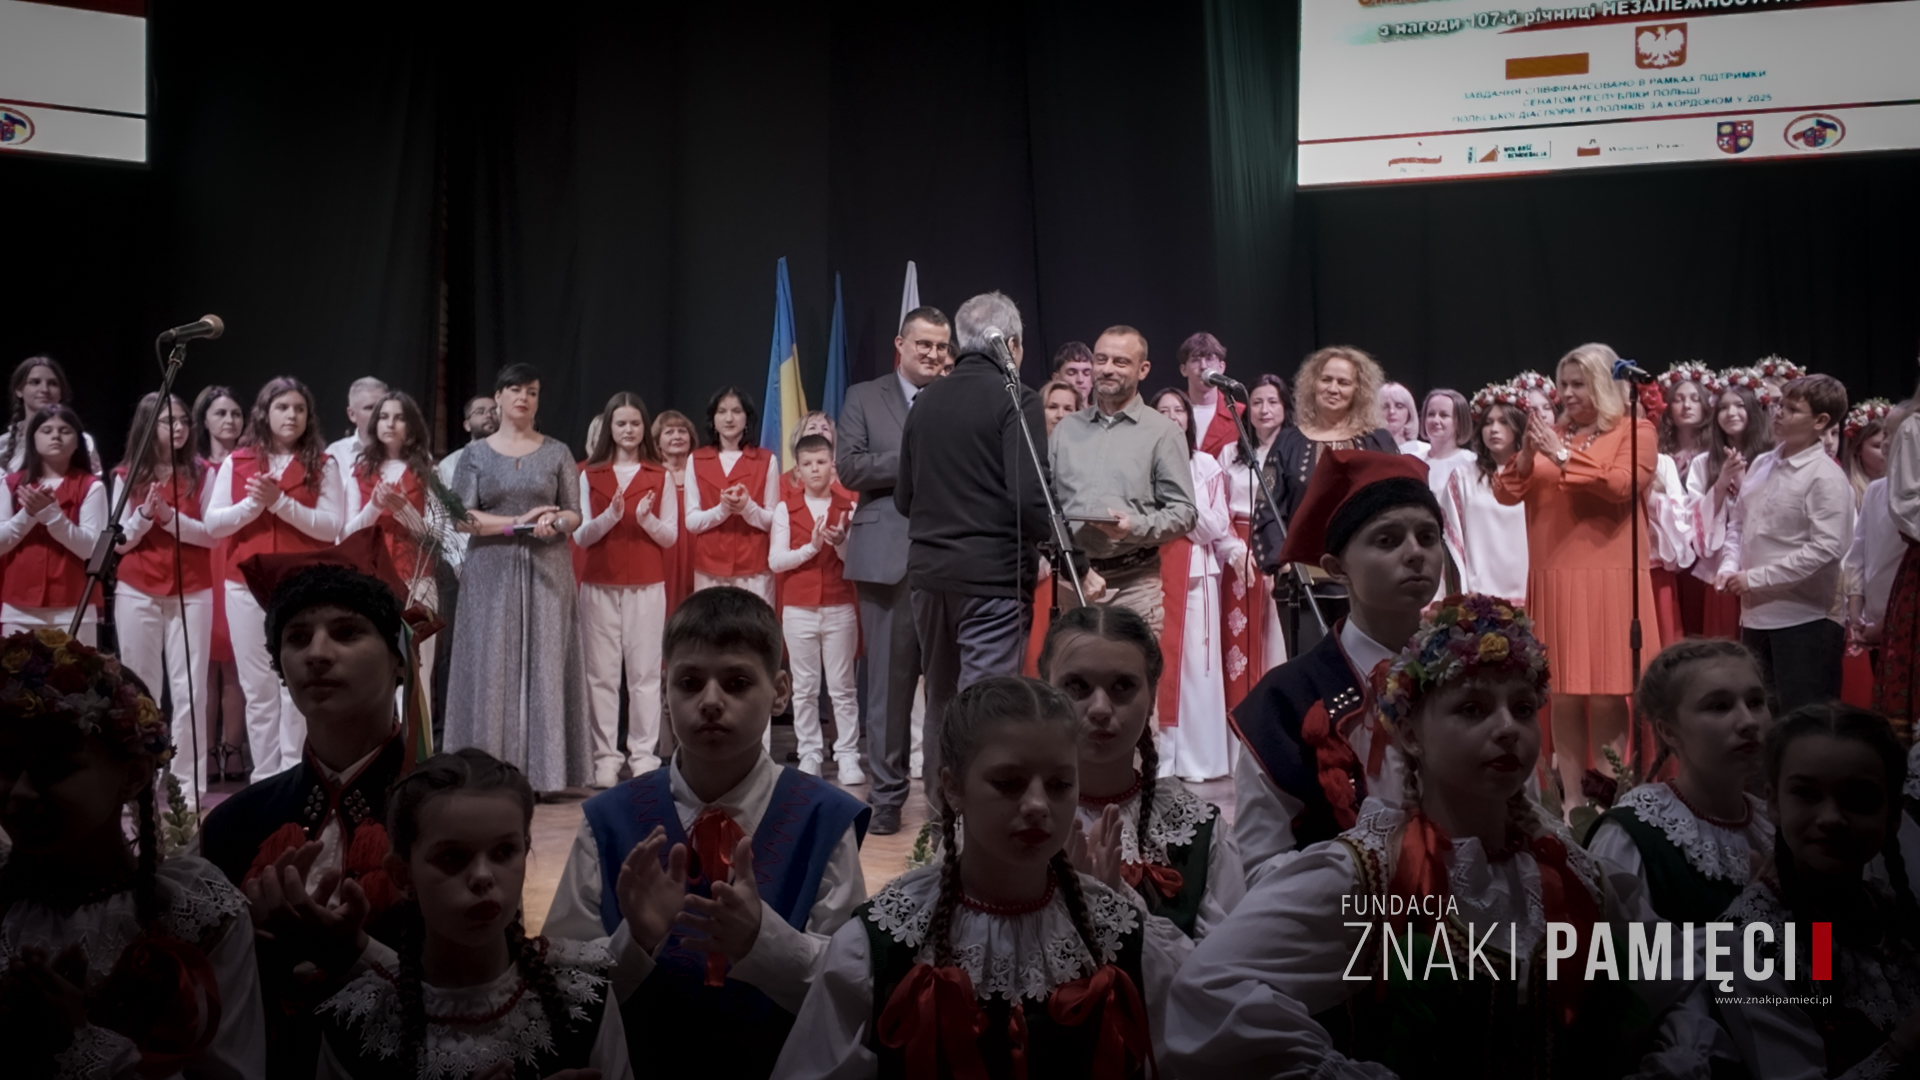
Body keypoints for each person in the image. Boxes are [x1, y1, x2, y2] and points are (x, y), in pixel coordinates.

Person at [1166, 596, 1644, 1080]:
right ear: (1411, 735)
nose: (1507, 729)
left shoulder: (1571, 873)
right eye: (1473, 709)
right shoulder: (1371, 875)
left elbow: (1669, 979)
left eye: (1522, 708)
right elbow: (1209, 989)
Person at [770, 676, 1181, 1080]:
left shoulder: (1118, 933)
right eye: (1009, 783)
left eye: (1059, 784)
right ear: (953, 788)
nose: (1038, 804)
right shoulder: (882, 943)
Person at [545, 586, 871, 1079]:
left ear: (780, 691)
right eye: (690, 682)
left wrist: (764, 941)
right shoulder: (609, 820)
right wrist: (635, 942)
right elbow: (560, 988)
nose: (711, 702)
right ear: (665, 689)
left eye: (737, 683)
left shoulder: (823, 818)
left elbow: (852, 989)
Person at [0, 629, 266, 1077]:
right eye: (5, 765)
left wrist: (80, 1040)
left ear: (135, 775)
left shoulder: (193, 911)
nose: (21, 792)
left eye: (54, 767)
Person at [199, 558, 416, 1076]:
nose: (317, 654)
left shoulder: (449, 812)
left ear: (400, 661)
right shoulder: (235, 824)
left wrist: (355, 954)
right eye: (297, 638)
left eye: (346, 632)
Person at [315, 749, 633, 1079]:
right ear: (403, 874)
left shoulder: (581, 994)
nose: (483, 876)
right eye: (452, 856)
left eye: (504, 851)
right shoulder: (357, 1023)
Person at [1229, 449, 1443, 883]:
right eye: (1387, 540)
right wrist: (1371, 875)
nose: (1415, 553)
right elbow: (1259, 869)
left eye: (1427, 536)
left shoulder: (1472, 675)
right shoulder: (1285, 701)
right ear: (1336, 568)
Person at [1680, 703, 1920, 1079]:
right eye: (1807, 794)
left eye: (1859, 798)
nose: (1831, 819)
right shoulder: (1748, 943)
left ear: (1893, 814)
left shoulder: (1890, 911)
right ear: (1774, 803)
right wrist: (1906, 1043)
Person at [896, 291, 1053, 820]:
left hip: (928, 578)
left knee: (942, 700)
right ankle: (977, 826)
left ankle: (943, 823)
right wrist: (1067, 552)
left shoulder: (924, 402)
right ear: (1011, 345)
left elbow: (903, 497)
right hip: (991, 580)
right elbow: (1029, 497)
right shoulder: (1017, 398)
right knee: (984, 705)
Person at [1493, 343, 1660, 810]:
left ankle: (1607, 800)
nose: (1566, 393)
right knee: (1562, 693)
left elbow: (1621, 484)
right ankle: (1571, 804)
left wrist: (1562, 455)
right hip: (1554, 575)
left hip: (1608, 574)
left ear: (1603, 385)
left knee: (1606, 693)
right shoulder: (1554, 433)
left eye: (1578, 384)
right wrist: (1528, 455)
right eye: (1562, 384)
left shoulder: (1635, 430)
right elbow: (1507, 492)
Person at [1041, 604, 1246, 940]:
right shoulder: (1006, 817)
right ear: (1045, 693)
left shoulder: (1198, 831)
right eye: (1077, 685)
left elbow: (1228, 959)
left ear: (1151, 697)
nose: (1100, 709)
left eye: (1122, 686)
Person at [444, 362, 588, 794]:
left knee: (546, 661)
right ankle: (487, 769)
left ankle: (546, 774)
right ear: (499, 397)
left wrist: (554, 522)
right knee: (490, 663)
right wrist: (517, 523)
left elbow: (574, 513)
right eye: (515, 390)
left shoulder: (558, 452)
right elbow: (461, 517)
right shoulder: (475, 454)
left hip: (547, 565)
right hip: (490, 567)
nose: (523, 397)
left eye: (532, 391)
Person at [837, 305, 951, 836]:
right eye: (923, 344)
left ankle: (944, 802)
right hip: (886, 559)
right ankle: (886, 798)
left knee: (946, 689)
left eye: (941, 346)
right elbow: (850, 466)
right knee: (887, 687)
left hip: (950, 555)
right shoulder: (863, 396)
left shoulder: (956, 395)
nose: (933, 354)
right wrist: (915, 454)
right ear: (900, 345)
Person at [204, 376, 347, 782]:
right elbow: (214, 524)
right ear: (265, 413)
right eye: (283, 407)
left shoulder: (323, 463)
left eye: (299, 409)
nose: (292, 415)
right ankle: (266, 779)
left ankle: (294, 775)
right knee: (258, 689)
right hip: (245, 584)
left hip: (300, 585)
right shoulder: (239, 461)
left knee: (294, 685)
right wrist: (253, 505)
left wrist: (280, 502)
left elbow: (331, 525)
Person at [1586, 639, 1773, 922]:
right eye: (1720, 706)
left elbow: (1822, 941)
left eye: (1756, 702)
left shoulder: (1776, 827)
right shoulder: (1633, 836)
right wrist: (1747, 922)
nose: (1749, 721)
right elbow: (1614, 948)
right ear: (1669, 731)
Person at [1715, 373, 1853, 712]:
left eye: (1791, 409)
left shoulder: (1825, 476)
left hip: (1805, 621)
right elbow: (1740, 523)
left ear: (1820, 421)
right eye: (1779, 405)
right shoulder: (1762, 463)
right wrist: (1729, 565)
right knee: (1761, 718)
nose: (1778, 414)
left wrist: (1754, 578)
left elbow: (1826, 550)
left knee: (1803, 721)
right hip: (1755, 618)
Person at [1051, 325, 1196, 636]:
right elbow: (1045, 504)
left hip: (1134, 584)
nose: (1107, 369)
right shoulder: (1066, 430)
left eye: (1120, 362)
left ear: (1143, 369)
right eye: (1101, 359)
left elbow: (1184, 513)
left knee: (1133, 667)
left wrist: (1134, 527)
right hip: (1073, 582)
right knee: (1071, 668)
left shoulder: (1163, 432)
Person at [111, 392, 215, 804]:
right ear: (147, 424)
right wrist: (143, 516)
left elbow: (211, 534)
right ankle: (142, 781)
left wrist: (170, 518)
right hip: (137, 587)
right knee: (141, 689)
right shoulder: (126, 473)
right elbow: (118, 541)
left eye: (184, 420)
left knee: (191, 691)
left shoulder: (202, 472)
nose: (180, 428)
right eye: (169, 421)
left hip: (192, 588)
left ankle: (188, 786)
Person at [573, 392, 677, 790]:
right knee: (600, 675)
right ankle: (605, 758)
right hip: (599, 583)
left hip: (647, 585)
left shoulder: (659, 475)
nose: (629, 430)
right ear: (609, 428)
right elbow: (581, 535)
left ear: (643, 427)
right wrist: (610, 517)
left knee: (645, 674)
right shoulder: (590, 474)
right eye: (621, 423)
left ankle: (644, 756)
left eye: (635, 423)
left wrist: (646, 520)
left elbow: (669, 536)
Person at [1149, 386, 1243, 781]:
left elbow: (1213, 526)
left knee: (1196, 668)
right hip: (1151, 572)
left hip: (1195, 575)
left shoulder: (1204, 464)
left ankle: (1198, 760)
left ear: (1189, 419)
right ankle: (1160, 757)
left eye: (1179, 410)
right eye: (1163, 410)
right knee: (1158, 662)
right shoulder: (1143, 461)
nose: (1172, 417)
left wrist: (1178, 508)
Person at [341, 391, 446, 685]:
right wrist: (375, 507)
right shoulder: (359, 471)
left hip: (418, 580)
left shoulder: (429, 471)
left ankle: (414, 720)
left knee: (417, 672)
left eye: (399, 418)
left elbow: (437, 534)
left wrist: (404, 511)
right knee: (374, 671)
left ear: (411, 426)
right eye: (384, 417)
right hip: (372, 578)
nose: (390, 424)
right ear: (375, 423)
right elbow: (347, 534)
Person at [770, 434, 858, 781]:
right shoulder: (785, 508)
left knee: (843, 687)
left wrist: (841, 544)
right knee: (805, 688)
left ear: (832, 465)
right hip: (799, 608)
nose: (815, 469)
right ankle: (809, 754)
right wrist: (811, 547)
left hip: (839, 605)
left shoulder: (848, 507)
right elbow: (776, 561)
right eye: (807, 464)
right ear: (798, 470)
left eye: (821, 462)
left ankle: (847, 755)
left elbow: (856, 562)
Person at [0, 405, 105, 644]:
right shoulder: (10, 484)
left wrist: (53, 517)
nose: (55, 436)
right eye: (46, 430)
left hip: (75, 605)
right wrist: (28, 515)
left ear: (78, 442)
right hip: (18, 607)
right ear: (32, 439)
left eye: (64, 431)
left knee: (77, 669)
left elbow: (92, 549)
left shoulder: (91, 486)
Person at [1217, 374, 1290, 710]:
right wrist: (1234, 547)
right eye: (1257, 402)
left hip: (1279, 547)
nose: (1264, 409)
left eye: (1273, 402)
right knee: (1236, 639)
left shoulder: (1294, 450)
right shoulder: (1231, 452)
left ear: (1285, 407)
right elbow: (1219, 507)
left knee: (1275, 638)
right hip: (1237, 550)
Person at [194, 385, 249, 779]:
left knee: (233, 664)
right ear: (205, 421)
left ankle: (233, 748)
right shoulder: (194, 467)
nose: (229, 420)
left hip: (236, 559)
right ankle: (204, 751)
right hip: (201, 563)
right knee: (203, 667)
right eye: (220, 413)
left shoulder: (249, 462)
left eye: (235, 413)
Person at [684, 387, 780, 607]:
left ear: (747, 418)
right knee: (711, 626)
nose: (729, 418)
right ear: (713, 419)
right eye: (722, 411)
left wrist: (747, 508)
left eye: (736, 411)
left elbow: (773, 520)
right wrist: (722, 510)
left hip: (754, 566)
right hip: (709, 566)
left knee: (753, 626)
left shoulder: (766, 460)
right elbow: (691, 521)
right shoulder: (696, 459)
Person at [1694, 378, 1775, 640]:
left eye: (1739, 405)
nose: (1731, 413)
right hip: (1720, 567)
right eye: (1723, 408)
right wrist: (1721, 483)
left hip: (1764, 565)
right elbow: (1696, 518)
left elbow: (1771, 513)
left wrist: (1743, 483)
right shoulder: (1703, 462)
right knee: (1724, 642)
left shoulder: (1772, 459)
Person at [1441, 383, 1529, 603]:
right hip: (1480, 593)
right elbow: (1451, 539)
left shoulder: (1534, 474)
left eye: (1503, 422)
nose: (1494, 429)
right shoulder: (1463, 476)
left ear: (1518, 426)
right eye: (1487, 423)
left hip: (1529, 587)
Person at [1650, 362, 1720, 641]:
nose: (1686, 406)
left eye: (1694, 399)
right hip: (1669, 543)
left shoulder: (1714, 452)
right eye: (1678, 399)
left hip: (1704, 543)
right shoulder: (1657, 452)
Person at [0, 355, 100, 473]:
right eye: (35, 382)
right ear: (19, 390)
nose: (44, 389)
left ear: (61, 393)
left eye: (53, 383)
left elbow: (92, 481)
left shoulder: (82, 441)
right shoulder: (3, 444)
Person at [653, 408, 700, 615]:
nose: (677, 436)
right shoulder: (651, 474)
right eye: (669, 432)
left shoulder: (700, 471)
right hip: (664, 551)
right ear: (657, 441)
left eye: (682, 431)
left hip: (697, 547)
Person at [1177, 331, 1244, 457]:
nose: (1203, 366)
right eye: (1195, 360)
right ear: (1183, 370)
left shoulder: (1240, 414)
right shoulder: (1170, 412)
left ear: (1221, 367)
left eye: (1209, 359)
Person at [434, 393, 501, 489]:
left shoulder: (515, 456)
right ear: (467, 425)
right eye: (480, 412)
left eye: (494, 411)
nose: (489, 415)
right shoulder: (450, 463)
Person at [323, 376, 388, 475]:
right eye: (369, 408)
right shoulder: (335, 454)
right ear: (352, 414)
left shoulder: (405, 454)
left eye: (382, 407)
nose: (379, 413)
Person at [1418, 387, 1473, 495]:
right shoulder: (1415, 461)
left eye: (1444, 415)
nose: (1435, 420)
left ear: (1459, 421)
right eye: (1431, 414)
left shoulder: (1471, 462)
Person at [1380, 381, 1426, 456]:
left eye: (1399, 406)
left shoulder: (1424, 451)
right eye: (1385, 407)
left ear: (1409, 413)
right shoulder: (1366, 449)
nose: (1392, 411)